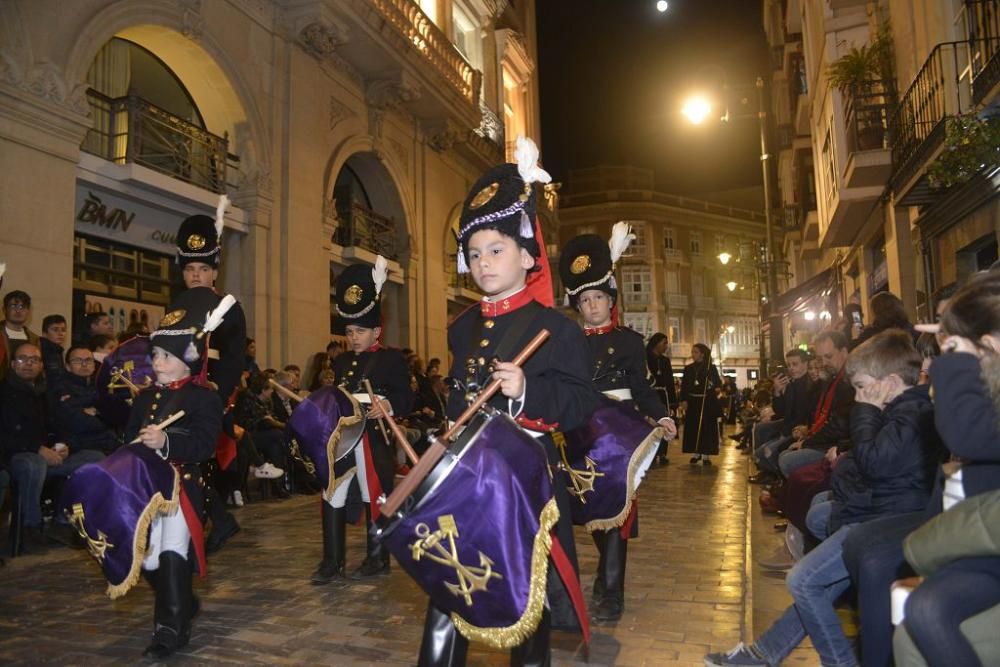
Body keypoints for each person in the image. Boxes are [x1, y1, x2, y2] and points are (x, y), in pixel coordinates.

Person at [412, 136, 598, 666]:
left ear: (526, 253)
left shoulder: (553, 328)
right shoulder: (464, 325)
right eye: (474, 254)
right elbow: (459, 388)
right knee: (448, 582)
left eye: (496, 250)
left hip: (523, 483)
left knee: (523, 599)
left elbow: (582, 403)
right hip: (465, 477)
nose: (483, 263)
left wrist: (526, 392)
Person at [706, 329, 944, 667]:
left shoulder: (910, 412)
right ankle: (763, 654)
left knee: (804, 582)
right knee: (817, 585)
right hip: (874, 509)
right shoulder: (902, 408)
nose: (859, 395)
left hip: (882, 518)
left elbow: (874, 464)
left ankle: (837, 662)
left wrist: (865, 412)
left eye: (862, 387)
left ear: (889, 382)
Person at [842, 270, 1000, 667]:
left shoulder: (939, 393)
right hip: (972, 527)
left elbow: (965, 436)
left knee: (922, 603)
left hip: (980, 530)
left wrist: (956, 360)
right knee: (909, 604)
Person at [558, 225, 677, 623]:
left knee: (619, 514)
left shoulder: (628, 341)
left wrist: (660, 414)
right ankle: (606, 577)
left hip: (620, 435)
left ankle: (612, 591)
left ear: (611, 299)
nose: (592, 305)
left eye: (599, 297)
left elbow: (642, 388)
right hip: (580, 434)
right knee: (593, 513)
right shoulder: (569, 342)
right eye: (585, 299)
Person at [123, 289, 225, 658]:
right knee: (148, 560)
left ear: (188, 361)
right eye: (155, 355)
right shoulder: (144, 398)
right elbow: (127, 441)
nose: (157, 362)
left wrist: (166, 442)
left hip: (182, 490)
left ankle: (170, 631)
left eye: (166, 356)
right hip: (148, 490)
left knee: (171, 553)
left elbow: (204, 446)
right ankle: (182, 598)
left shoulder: (204, 399)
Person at [312, 257, 414, 584]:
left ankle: (377, 558)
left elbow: (408, 397)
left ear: (376, 331)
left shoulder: (391, 360)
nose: (353, 338)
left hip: (372, 437)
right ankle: (332, 561)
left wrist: (385, 403)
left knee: (374, 496)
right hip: (343, 437)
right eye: (350, 332)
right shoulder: (341, 363)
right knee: (332, 493)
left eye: (360, 332)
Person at [174, 199, 246, 553]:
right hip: (179, 393)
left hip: (209, 393)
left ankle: (210, 522)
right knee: (187, 460)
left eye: (203, 268)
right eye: (190, 270)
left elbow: (234, 357)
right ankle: (217, 520)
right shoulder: (176, 305)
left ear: (214, 272)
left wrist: (221, 390)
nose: (196, 275)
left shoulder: (228, 307)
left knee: (195, 459)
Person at [1, 342, 104, 550]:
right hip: (14, 456)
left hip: (46, 454)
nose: (28, 364)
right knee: (33, 463)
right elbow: (6, 434)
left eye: (35, 360)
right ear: (12, 364)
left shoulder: (43, 392)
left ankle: (63, 520)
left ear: (41, 366)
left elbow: (54, 426)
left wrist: (62, 445)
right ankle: (29, 529)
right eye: (22, 359)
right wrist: (38, 449)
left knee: (94, 458)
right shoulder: (4, 392)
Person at [776, 330, 854, 478]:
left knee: (787, 459)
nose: (823, 363)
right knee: (784, 452)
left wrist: (808, 442)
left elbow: (840, 425)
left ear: (844, 352)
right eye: (819, 359)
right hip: (825, 438)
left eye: (828, 356)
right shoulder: (831, 378)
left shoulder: (849, 380)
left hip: (836, 444)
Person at [751, 349, 812, 483]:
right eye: (789, 365)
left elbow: (802, 416)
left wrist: (785, 433)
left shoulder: (809, 385)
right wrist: (778, 392)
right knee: (761, 428)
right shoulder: (791, 384)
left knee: (767, 452)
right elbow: (781, 411)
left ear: (805, 364)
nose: (791, 368)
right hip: (788, 423)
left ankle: (777, 477)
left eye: (795, 364)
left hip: (799, 427)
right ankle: (766, 472)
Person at [48, 345, 117, 454]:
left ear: (94, 365)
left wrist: (93, 411)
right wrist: (100, 413)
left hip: (109, 442)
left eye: (88, 360)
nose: (84, 364)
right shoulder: (60, 388)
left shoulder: (102, 386)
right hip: (77, 447)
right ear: (67, 366)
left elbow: (116, 416)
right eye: (77, 361)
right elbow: (77, 422)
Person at [679, 343, 722, 465]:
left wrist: (712, 385)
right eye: (692, 352)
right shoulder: (688, 369)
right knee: (693, 427)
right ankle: (696, 453)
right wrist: (684, 400)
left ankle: (706, 455)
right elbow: (684, 387)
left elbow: (717, 384)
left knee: (706, 428)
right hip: (692, 402)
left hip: (706, 402)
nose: (693, 355)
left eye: (695, 352)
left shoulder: (711, 368)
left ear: (702, 354)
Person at [646, 332, 677, 465]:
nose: (666, 346)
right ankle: (650, 455)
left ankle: (663, 453)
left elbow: (670, 381)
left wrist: (673, 401)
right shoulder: (644, 358)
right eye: (664, 343)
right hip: (649, 395)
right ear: (656, 343)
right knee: (649, 425)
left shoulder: (665, 361)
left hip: (663, 396)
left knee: (664, 424)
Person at [1, 289, 40, 380]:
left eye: (22, 306)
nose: (18, 310)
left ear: (28, 311)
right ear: (4, 309)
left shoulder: (34, 339)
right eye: (13, 306)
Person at [40, 314, 68, 380]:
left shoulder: (58, 350)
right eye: (55, 330)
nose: (60, 333)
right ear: (44, 333)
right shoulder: (39, 351)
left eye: (63, 330)